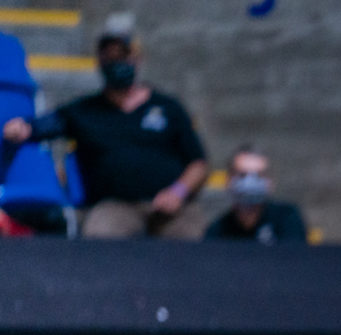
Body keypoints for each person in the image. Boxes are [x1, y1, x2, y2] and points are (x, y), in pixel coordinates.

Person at [1, 28, 208, 239]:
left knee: (191, 242)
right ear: (99, 62)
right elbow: (42, 125)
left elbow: (198, 164)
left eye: (122, 56)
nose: (116, 63)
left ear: (137, 59)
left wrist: (178, 192)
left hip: (173, 207)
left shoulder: (168, 108)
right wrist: (22, 127)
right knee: (99, 237)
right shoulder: (83, 111)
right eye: (109, 57)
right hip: (114, 207)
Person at [205, 145, 307, 244]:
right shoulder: (216, 232)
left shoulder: (288, 218)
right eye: (242, 175)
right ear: (228, 181)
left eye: (259, 175)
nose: (250, 182)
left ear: (270, 182)